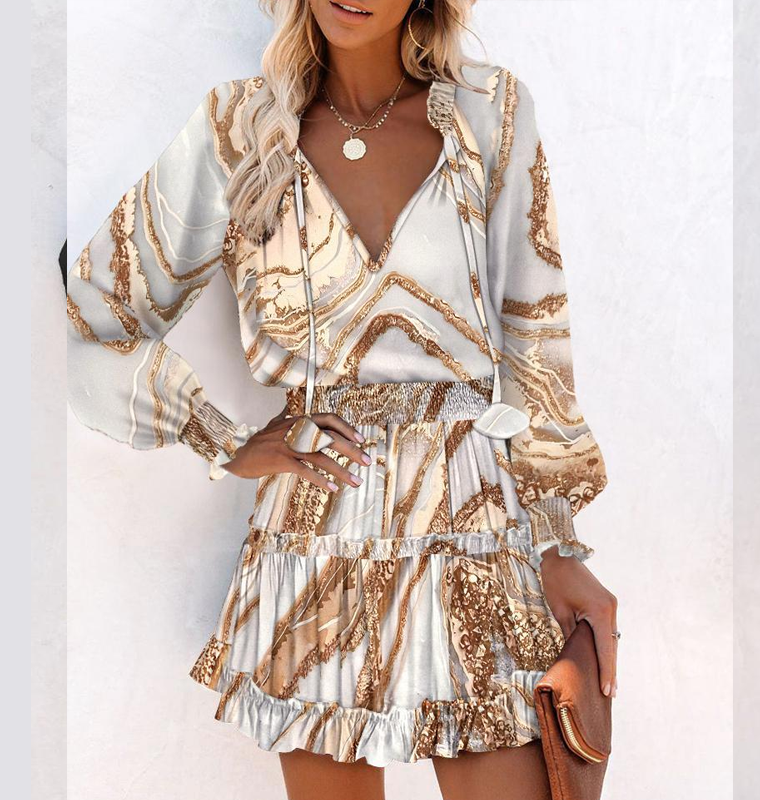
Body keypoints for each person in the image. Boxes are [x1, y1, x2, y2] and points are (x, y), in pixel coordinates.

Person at [65, 1, 619, 798]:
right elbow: (93, 311)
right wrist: (221, 436)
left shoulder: (489, 111)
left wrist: (560, 543)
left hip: (472, 522)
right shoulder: (236, 129)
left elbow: (536, 335)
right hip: (316, 531)